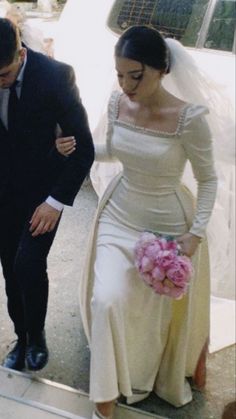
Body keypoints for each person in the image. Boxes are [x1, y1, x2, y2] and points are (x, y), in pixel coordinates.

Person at [56, 25, 217, 419]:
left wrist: (195, 234)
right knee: (107, 299)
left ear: (161, 70)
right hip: (120, 213)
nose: (126, 85)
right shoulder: (116, 105)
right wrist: (79, 147)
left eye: (136, 75)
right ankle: (103, 405)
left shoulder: (189, 118)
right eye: (120, 75)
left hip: (168, 224)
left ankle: (158, 366)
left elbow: (209, 178)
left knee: (152, 310)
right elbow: (113, 150)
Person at [0, 18, 94, 372]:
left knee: (28, 263)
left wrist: (55, 202)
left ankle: (37, 336)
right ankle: (21, 336)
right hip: (3, 190)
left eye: (4, 75)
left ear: (21, 55)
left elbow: (83, 149)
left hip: (42, 193)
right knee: (9, 267)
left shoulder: (56, 77)